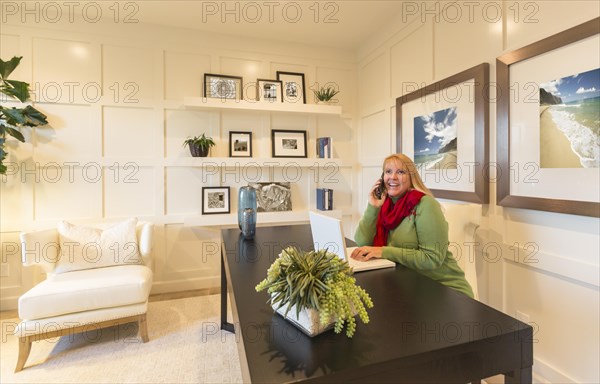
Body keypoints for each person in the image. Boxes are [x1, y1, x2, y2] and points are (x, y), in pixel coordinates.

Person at [351, 154, 474, 298]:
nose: (393, 177)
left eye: (401, 172)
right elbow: (362, 242)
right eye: (388, 171)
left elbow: (431, 258)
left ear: (411, 177)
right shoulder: (385, 204)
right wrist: (373, 207)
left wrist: (383, 251)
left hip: (443, 289)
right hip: (408, 285)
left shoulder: (425, 204)